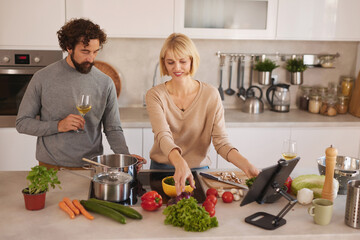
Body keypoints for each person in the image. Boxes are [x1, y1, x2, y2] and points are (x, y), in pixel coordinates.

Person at [16, 18, 145, 170]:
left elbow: (113, 128)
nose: (90, 58)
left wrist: (126, 158)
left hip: (91, 166)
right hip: (50, 167)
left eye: (95, 52)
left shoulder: (105, 83)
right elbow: (22, 123)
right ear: (69, 47)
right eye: (85, 51)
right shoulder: (42, 77)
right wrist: (58, 126)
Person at [146, 33, 259, 195]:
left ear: (192, 60)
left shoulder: (211, 95)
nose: (177, 68)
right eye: (170, 62)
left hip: (198, 170)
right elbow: (163, 135)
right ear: (164, 62)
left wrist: (246, 165)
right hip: (162, 170)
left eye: (183, 61)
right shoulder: (155, 95)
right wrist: (180, 163)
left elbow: (221, 142)